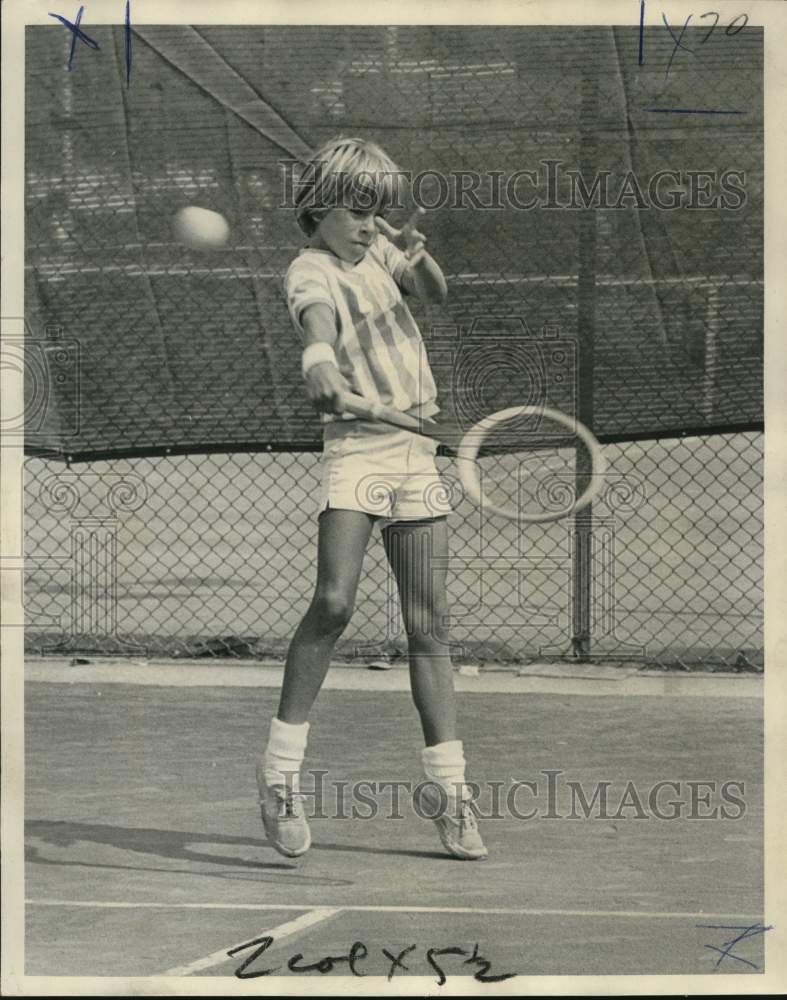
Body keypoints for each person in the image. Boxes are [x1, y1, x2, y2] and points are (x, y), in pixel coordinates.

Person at [257, 136, 487, 861]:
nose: (368, 224)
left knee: (428, 623)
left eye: (378, 212)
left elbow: (437, 296)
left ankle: (449, 794)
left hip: (414, 447)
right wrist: (319, 362)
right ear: (319, 208)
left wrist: (413, 252)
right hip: (357, 448)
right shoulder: (309, 268)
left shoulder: (383, 252)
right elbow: (316, 320)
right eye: (357, 212)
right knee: (332, 602)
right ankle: (279, 779)